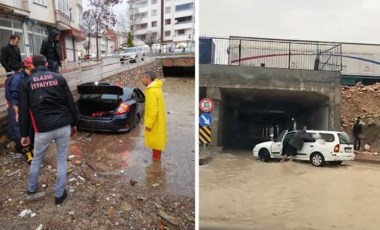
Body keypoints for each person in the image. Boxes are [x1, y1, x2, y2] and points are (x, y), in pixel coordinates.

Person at [19, 54, 78, 205]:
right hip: (63, 125)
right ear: (46, 64)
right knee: (61, 158)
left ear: (33, 65)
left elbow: (24, 111)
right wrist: (75, 123)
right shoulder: (58, 78)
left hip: (43, 128)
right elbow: (70, 102)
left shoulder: (27, 82)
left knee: (37, 159)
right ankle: (59, 194)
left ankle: (31, 189)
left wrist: (24, 134)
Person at [5, 57, 34, 155]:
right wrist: (17, 112)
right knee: (17, 125)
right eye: (32, 71)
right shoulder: (17, 78)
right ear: (27, 67)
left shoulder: (25, 76)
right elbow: (14, 97)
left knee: (23, 125)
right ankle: (25, 149)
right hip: (15, 105)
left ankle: (24, 145)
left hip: (20, 103)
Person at [141, 71, 167, 161]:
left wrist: (148, 124)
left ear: (148, 79)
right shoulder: (157, 88)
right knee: (158, 142)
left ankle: (156, 164)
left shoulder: (151, 91)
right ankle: (157, 161)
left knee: (155, 143)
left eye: (143, 78)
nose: (142, 80)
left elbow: (152, 109)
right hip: (159, 120)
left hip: (155, 121)